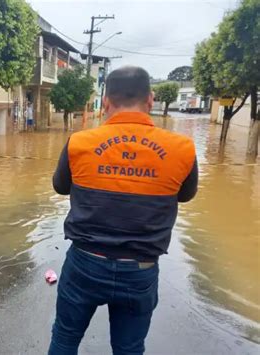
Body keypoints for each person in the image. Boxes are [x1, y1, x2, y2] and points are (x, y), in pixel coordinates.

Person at [49, 66, 198, 355]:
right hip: (140, 270)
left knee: (65, 338)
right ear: (151, 100)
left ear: (105, 102)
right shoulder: (183, 148)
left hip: (84, 264)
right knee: (129, 349)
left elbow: (60, 187)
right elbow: (186, 196)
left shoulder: (78, 142)